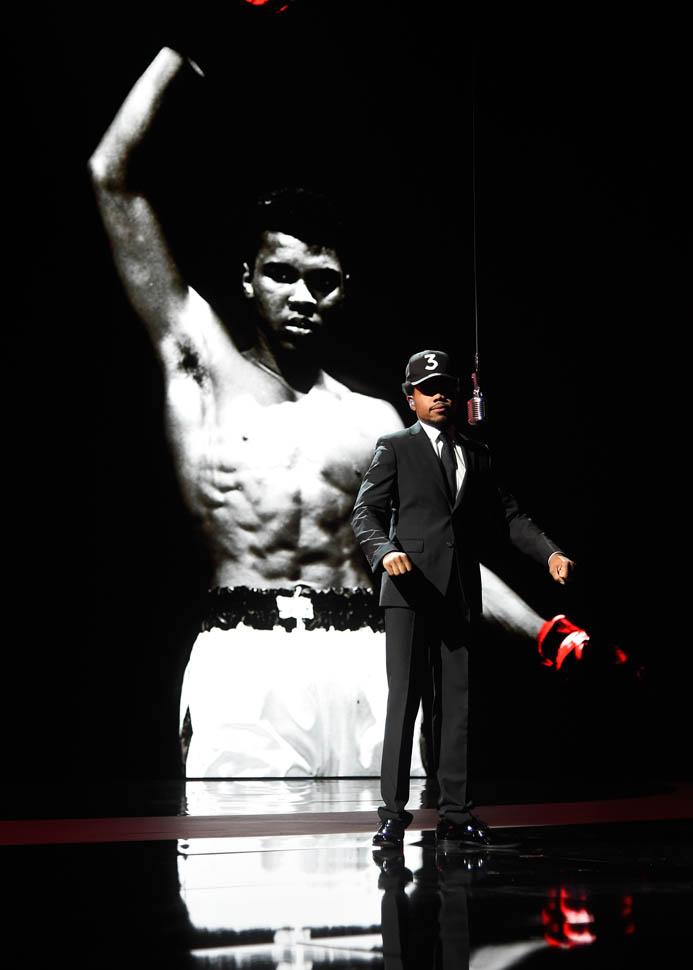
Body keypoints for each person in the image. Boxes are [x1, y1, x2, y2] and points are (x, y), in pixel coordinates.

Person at [88, 45, 588, 779]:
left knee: (381, 849)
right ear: (248, 278)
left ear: (345, 288)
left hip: (362, 660)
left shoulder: (374, 423)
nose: (301, 296)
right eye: (280, 275)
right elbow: (112, 177)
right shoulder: (200, 366)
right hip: (245, 662)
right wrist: (182, 47)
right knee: (241, 848)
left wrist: (548, 631)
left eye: (321, 280)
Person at [352, 350, 575, 847]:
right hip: (409, 593)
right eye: (428, 388)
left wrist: (550, 553)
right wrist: (385, 551)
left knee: (456, 705)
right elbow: (365, 512)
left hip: (457, 593)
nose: (439, 396)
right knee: (405, 701)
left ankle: (455, 811)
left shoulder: (476, 452)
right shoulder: (395, 447)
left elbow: (510, 516)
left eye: (445, 387)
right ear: (410, 397)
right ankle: (393, 813)